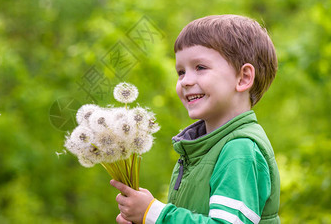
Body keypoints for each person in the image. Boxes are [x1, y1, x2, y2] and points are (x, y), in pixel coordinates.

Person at [110, 15, 280, 224]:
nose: (186, 81)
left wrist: (154, 214)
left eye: (200, 67)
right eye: (181, 72)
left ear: (243, 77)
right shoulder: (197, 149)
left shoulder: (240, 150)